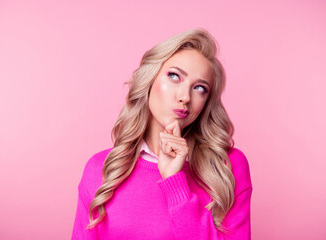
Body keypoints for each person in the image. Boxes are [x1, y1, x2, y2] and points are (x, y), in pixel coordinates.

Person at [71, 28, 252, 240]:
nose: (185, 97)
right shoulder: (101, 169)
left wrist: (175, 182)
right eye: (174, 76)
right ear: (149, 80)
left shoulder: (226, 167)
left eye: (200, 88)